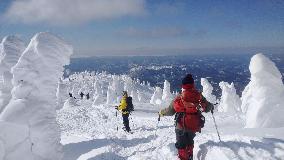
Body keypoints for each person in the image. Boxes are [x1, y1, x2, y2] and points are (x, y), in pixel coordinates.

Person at [159, 74, 214, 160]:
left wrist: (161, 113)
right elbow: (207, 107)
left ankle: (183, 158)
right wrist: (211, 106)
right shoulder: (199, 96)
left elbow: (170, 111)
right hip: (194, 124)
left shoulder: (180, 97)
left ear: (183, 86)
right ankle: (190, 156)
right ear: (193, 84)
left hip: (181, 125)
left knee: (181, 146)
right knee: (189, 142)